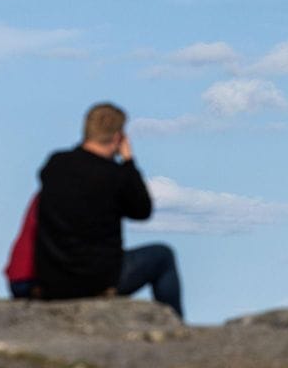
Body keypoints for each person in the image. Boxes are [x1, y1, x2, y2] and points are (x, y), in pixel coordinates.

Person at [34, 102, 183, 319]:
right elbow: (142, 210)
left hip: (53, 280)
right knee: (163, 255)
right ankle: (177, 324)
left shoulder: (55, 164)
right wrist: (129, 161)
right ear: (117, 138)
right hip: (98, 280)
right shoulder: (115, 176)